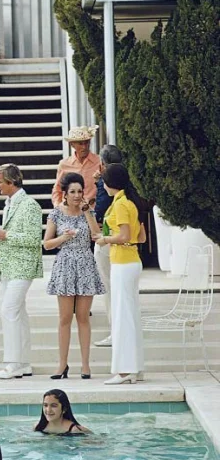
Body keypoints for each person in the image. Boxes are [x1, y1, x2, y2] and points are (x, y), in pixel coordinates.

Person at [43, 172, 104, 379]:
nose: (77, 195)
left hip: (85, 264)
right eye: (73, 192)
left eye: (80, 191)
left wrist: (88, 212)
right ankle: (62, 365)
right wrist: (63, 237)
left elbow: (96, 236)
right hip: (65, 265)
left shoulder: (88, 211)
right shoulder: (56, 214)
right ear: (65, 194)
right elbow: (47, 244)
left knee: (83, 317)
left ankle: (85, 365)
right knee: (65, 318)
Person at [0, 163, 43, 380]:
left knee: (8, 311)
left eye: (0, 182)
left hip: (23, 267)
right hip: (9, 267)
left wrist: (4, 235)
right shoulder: (9, 203)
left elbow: (32, 239)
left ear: (11, 182)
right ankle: (24, 363)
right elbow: (10, 235)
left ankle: (12, 364)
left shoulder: (30, 206)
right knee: (18, 314)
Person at [95, 163, 145, 385]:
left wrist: (106, 239)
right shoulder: (126, 202)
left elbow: (124, 235)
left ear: (109, 183)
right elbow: (140, 237)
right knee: (128, 315)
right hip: (128, 261)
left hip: (124, 263)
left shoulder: (122, 205)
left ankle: (125, 371)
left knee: (122, 316)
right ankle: (134, 368)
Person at [93, 144, 124, 347]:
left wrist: (98, 183)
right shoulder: (126, 180)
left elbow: (100, 211)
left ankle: (116, 331)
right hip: (125, 247)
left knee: (111, 290)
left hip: (109, 241)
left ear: (102, 164)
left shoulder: (108, 186)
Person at [52, 125, 100, 208]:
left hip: (93, 213)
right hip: (70, 213)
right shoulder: (64, 164)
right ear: (72, 145)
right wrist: (58, 209)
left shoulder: (99, 161)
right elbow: (57, 189)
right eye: (80, 143)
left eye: (86, 142)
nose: (84, 147)